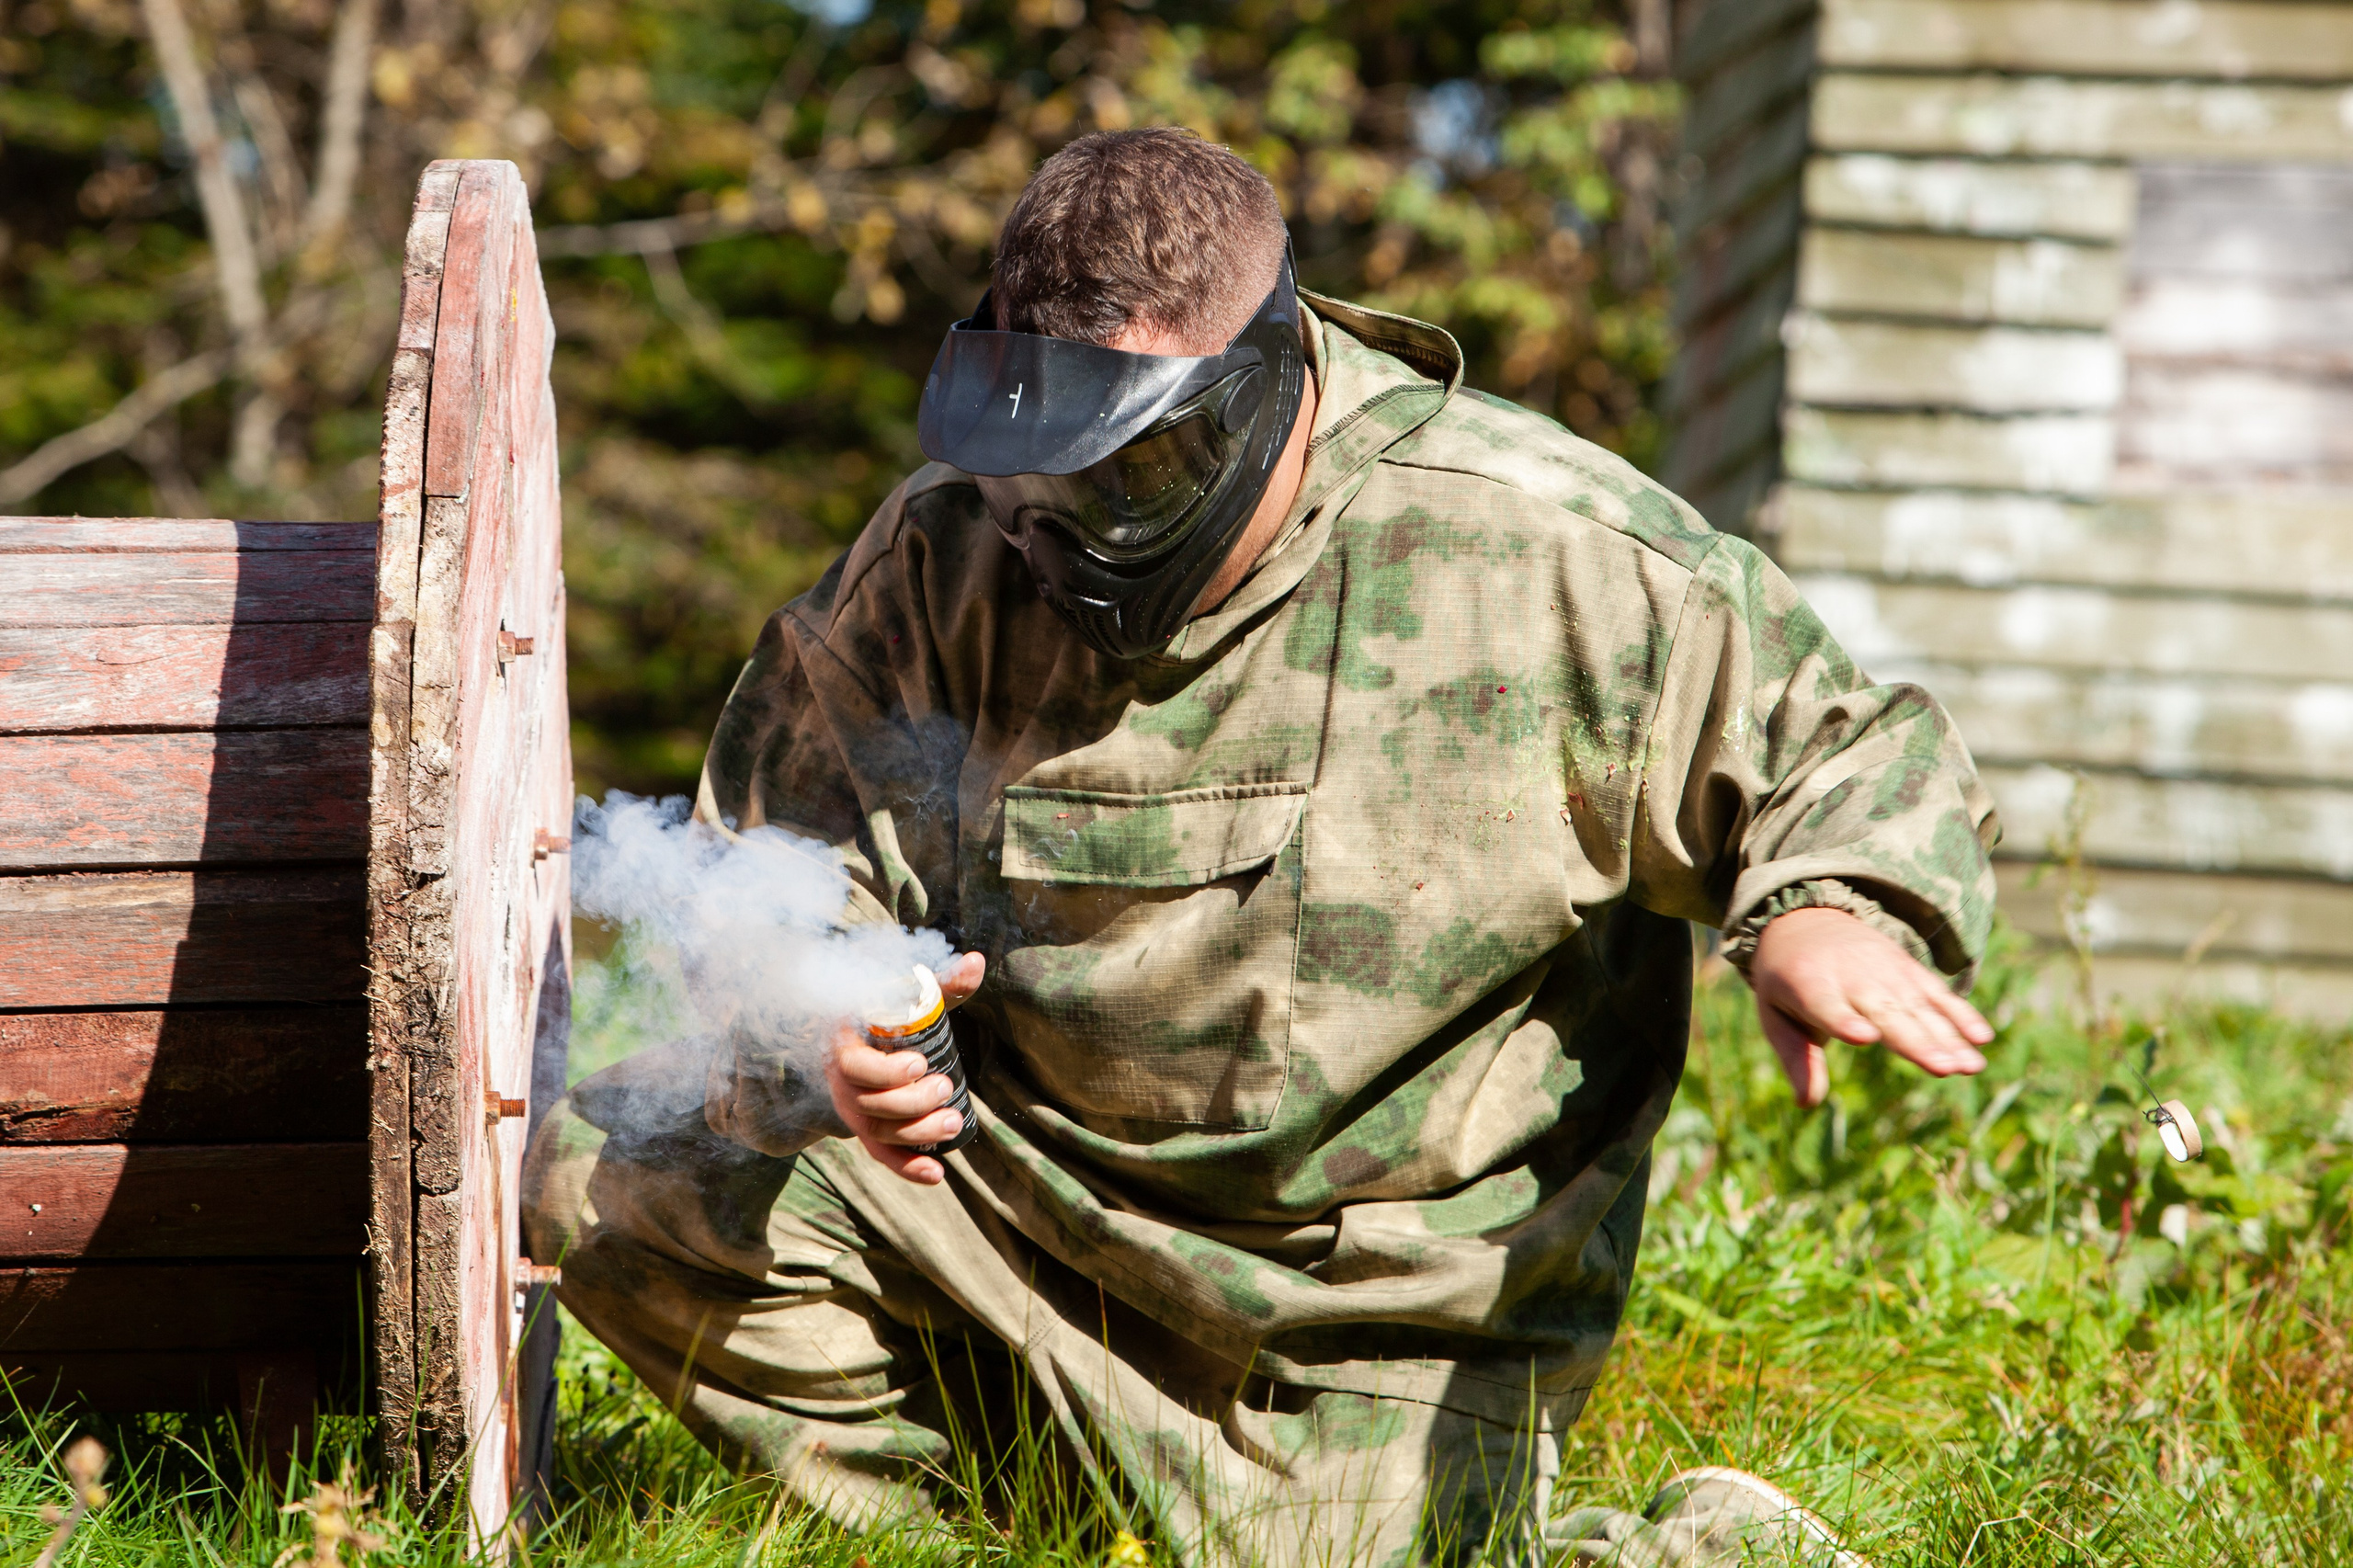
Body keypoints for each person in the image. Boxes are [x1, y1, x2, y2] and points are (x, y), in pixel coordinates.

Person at [525, 127, 1998, 1567]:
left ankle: (1691, 1542)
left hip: (1356, 1314)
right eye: (1024, 480)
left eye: (1122, 482)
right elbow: (776, 861)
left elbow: (1846, 752)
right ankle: (998, 1532)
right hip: (1008, 1212)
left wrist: (1826, 912)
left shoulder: (1543, 549)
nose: (1054, 539)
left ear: (1262, 383)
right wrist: (822, 1025)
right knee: (607, 1167)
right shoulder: (943, 551)